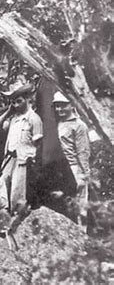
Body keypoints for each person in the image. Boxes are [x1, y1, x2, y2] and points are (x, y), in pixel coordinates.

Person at [0, 83, 43, 212]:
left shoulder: (34, 118)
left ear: (27, 99)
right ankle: (4, 222)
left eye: (19, 101)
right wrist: (8, 111)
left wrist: (32, 162)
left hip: (23, 161)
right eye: (13, 102)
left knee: (17, 193)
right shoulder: (13, 119)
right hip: (9, 159)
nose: (16, 105)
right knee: (2, 188)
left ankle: (16, 223)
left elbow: (38, 144)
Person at [52, 91, 91, 229]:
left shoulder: (79, 125)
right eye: (57, 106)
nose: (59, 109)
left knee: (79, 207)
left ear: (71, 104)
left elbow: (83, 152)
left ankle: (81, 239)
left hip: (75, 168)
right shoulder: (57, 123)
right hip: (60, 169)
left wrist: (82, 175)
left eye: (63, 105)